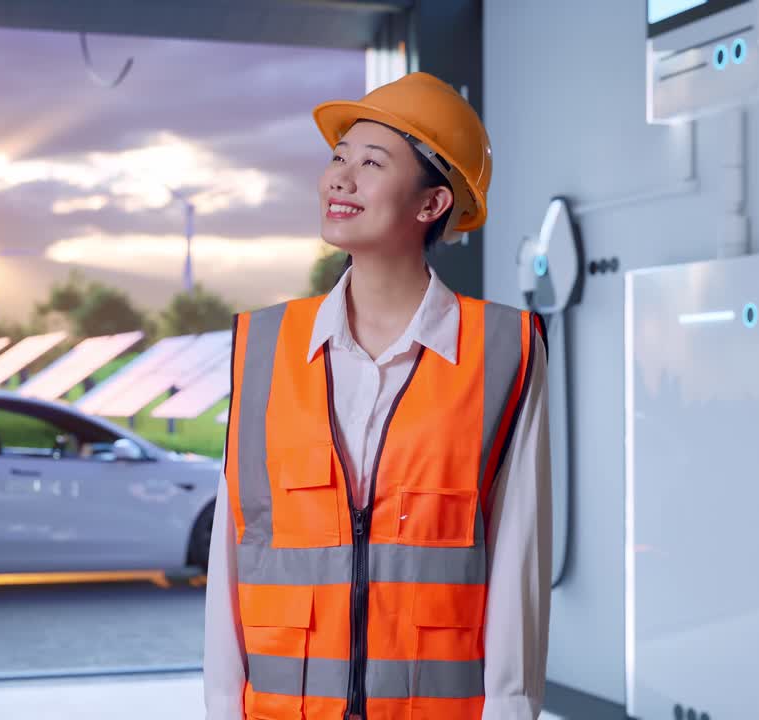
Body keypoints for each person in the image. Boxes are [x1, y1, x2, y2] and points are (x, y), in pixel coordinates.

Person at [204, 72, 552, 720]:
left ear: (431, 205)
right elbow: (234, 550)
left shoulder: (503, 350)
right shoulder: (265, 348)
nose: (340, 178)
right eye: (338, 158)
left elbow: (519, 557)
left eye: (371, 162)